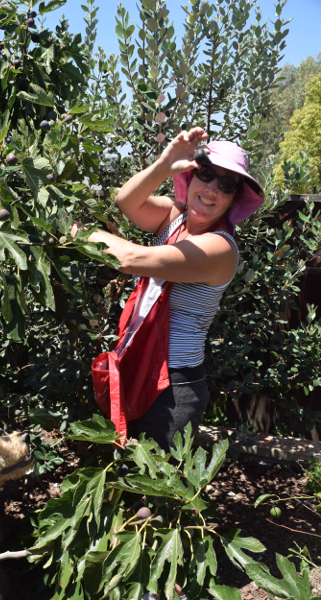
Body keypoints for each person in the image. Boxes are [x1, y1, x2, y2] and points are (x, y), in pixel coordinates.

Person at [72, 127, 265, 453]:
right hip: (135, 364)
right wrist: (163, 164)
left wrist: (73, 231)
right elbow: (126, 201)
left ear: (234, 198)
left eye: (227, 185)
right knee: (121, 476)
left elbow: (131, 258)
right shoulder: (174, 216)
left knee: (153, 494)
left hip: (173, 387)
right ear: (191, 176)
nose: (212, 189)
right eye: (205, 173)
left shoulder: (220, 248)